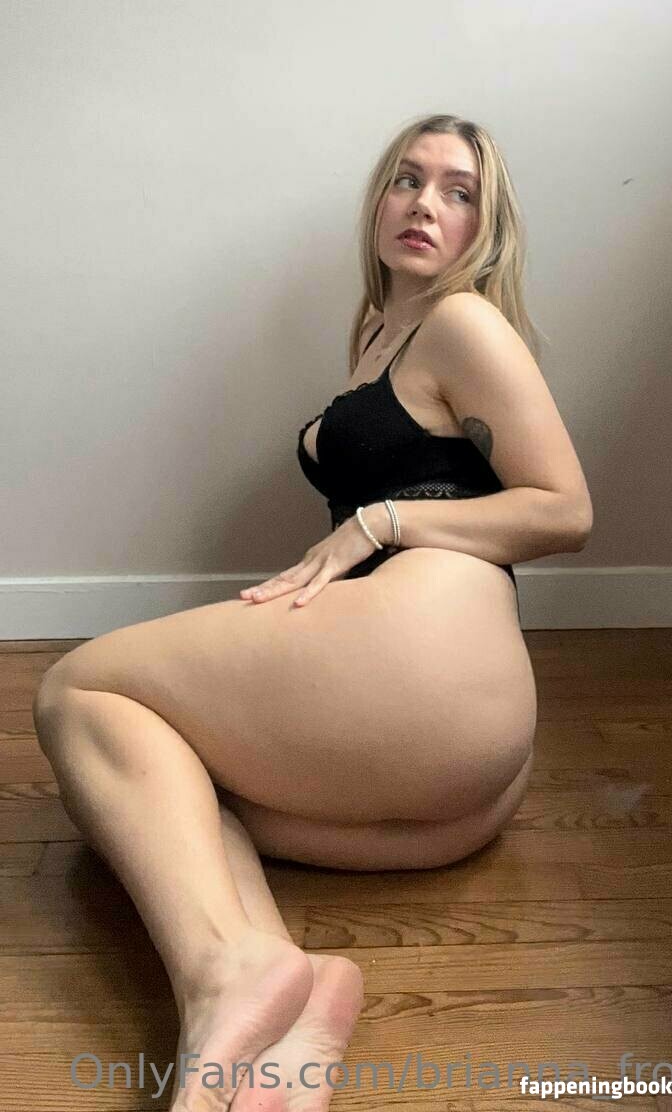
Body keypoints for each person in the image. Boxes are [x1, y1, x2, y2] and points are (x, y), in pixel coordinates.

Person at [33, 113, 593, 1111]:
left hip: (431, 653)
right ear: (377, 201)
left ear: (486, 226)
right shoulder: (380, 330)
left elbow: (564, 509)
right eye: (407, 180)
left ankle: (224, 977)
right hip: (455, 762)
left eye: (458, 191)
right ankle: (280, 1006)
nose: (425, 203)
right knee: (165, 788)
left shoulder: (462, 322)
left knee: (76, 691)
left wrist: (380, 520)